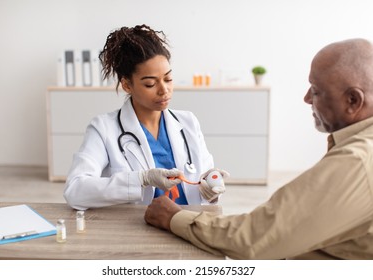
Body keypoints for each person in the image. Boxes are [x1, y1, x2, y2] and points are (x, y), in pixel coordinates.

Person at [144, 38, 373, 260]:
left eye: (315, 90)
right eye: (150, 83)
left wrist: (174, 217)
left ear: (353, 100)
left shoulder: (358, 160)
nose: (306, 98)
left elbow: (253, 238)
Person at [64, 24, 228, 210]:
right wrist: (142, 179)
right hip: (141, 230)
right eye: (150, 84)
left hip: (188, 224)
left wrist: (210, 191)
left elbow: (203, 184)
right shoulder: (103, 128)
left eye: (168, 79)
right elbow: (75, 191)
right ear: (126, 85)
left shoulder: (188, 122)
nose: (164, 90)